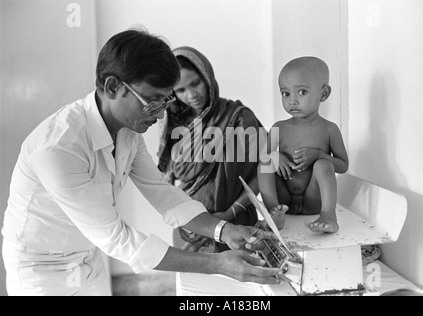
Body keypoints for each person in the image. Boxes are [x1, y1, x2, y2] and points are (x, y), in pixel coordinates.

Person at [1, 29, 282, 296]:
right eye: (152, 101)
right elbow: (117, 238)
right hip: (42, 270)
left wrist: (225, 231)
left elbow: (162, 191)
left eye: (164, 101)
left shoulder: (127, 129)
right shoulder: (58, 148)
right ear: (113, 87)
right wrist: (217, 265)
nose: (161, 115)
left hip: (88, 255)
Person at [158, 47, 264, 253]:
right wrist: (184, 220)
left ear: (207, 77)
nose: (191, 95)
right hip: (189, 228)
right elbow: (168, 179)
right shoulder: (174, 124)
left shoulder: (239, 118)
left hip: (236, 225)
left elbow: (264, 171)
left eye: (195, 83)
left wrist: (230, 214)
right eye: (181, 90)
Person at [258, 57, 349, 233]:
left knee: (324, 164)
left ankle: (328, 215)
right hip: (284, 199)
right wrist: (274, 156)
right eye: (286, 94)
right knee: (266, 164)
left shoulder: (329, 129)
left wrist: (319, 155)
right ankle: (273, 214)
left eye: (301, 92)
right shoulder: (279, 127)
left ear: (323, 94)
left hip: (312, 200)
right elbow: (263, 160)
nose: (292, 101)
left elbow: (343, 166)